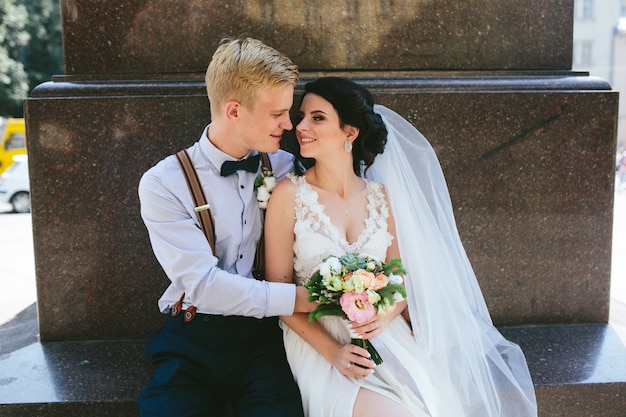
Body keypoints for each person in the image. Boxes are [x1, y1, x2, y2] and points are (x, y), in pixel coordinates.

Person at [264, 77, 538, 417]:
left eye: (317, 118)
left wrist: (384, 315)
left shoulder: (381, 197)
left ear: (349, 132)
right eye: (301, 116)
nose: (300, 126)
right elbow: (278, 293)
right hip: (317, 340)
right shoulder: (289, 195)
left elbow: (399, 283)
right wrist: (334, 351)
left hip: (383, 334)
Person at [137, 37, 315, 417]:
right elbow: (201, 284)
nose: (289, 124)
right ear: (234, 110)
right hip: (191, 337)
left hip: (266, 341)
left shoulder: (288, 169)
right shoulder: (164, 183)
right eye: (277, 114)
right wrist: (304, 300)